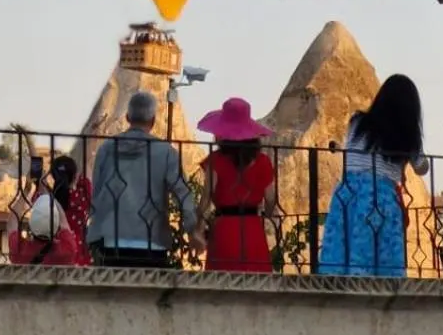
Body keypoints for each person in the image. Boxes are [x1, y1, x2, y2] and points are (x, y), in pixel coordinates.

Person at [317, 74, 428, 278]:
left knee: (345, 249)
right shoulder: (407, 134)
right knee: (381, 258)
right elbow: (422, 167)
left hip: (348, 192)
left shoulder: (357, 122)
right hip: (381, 195)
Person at [88, 91, 201, 268]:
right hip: (152, 240)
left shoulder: (107, 149)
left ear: (127, 117)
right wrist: (193, 231)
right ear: (153, 120)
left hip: (110, 239)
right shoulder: (165, 152)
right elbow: (183, 195)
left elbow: (96, 191)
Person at [194, 97, 277, 274]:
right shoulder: (263, 162)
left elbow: (206, 198)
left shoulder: (215, 161)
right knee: (257, 283)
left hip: (225, 228)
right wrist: (267, 214)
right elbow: (271, 199)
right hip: (253, 228)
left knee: (222, 285)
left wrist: (198, 229)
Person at [8, 192, 78, 266]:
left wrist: (25, 192)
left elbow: (12, 222)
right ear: (56, 227)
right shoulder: (66, 252)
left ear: (31, 226)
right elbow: (64, 222)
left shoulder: (20, 250)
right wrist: (52, 198)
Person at [45, 154, 92, 266]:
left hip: (53, 253)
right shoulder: (82, 197)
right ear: (75, 176)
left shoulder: (46, 200)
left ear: (52, 175)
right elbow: (87, 162)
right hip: (79, 253)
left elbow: (39, 180)